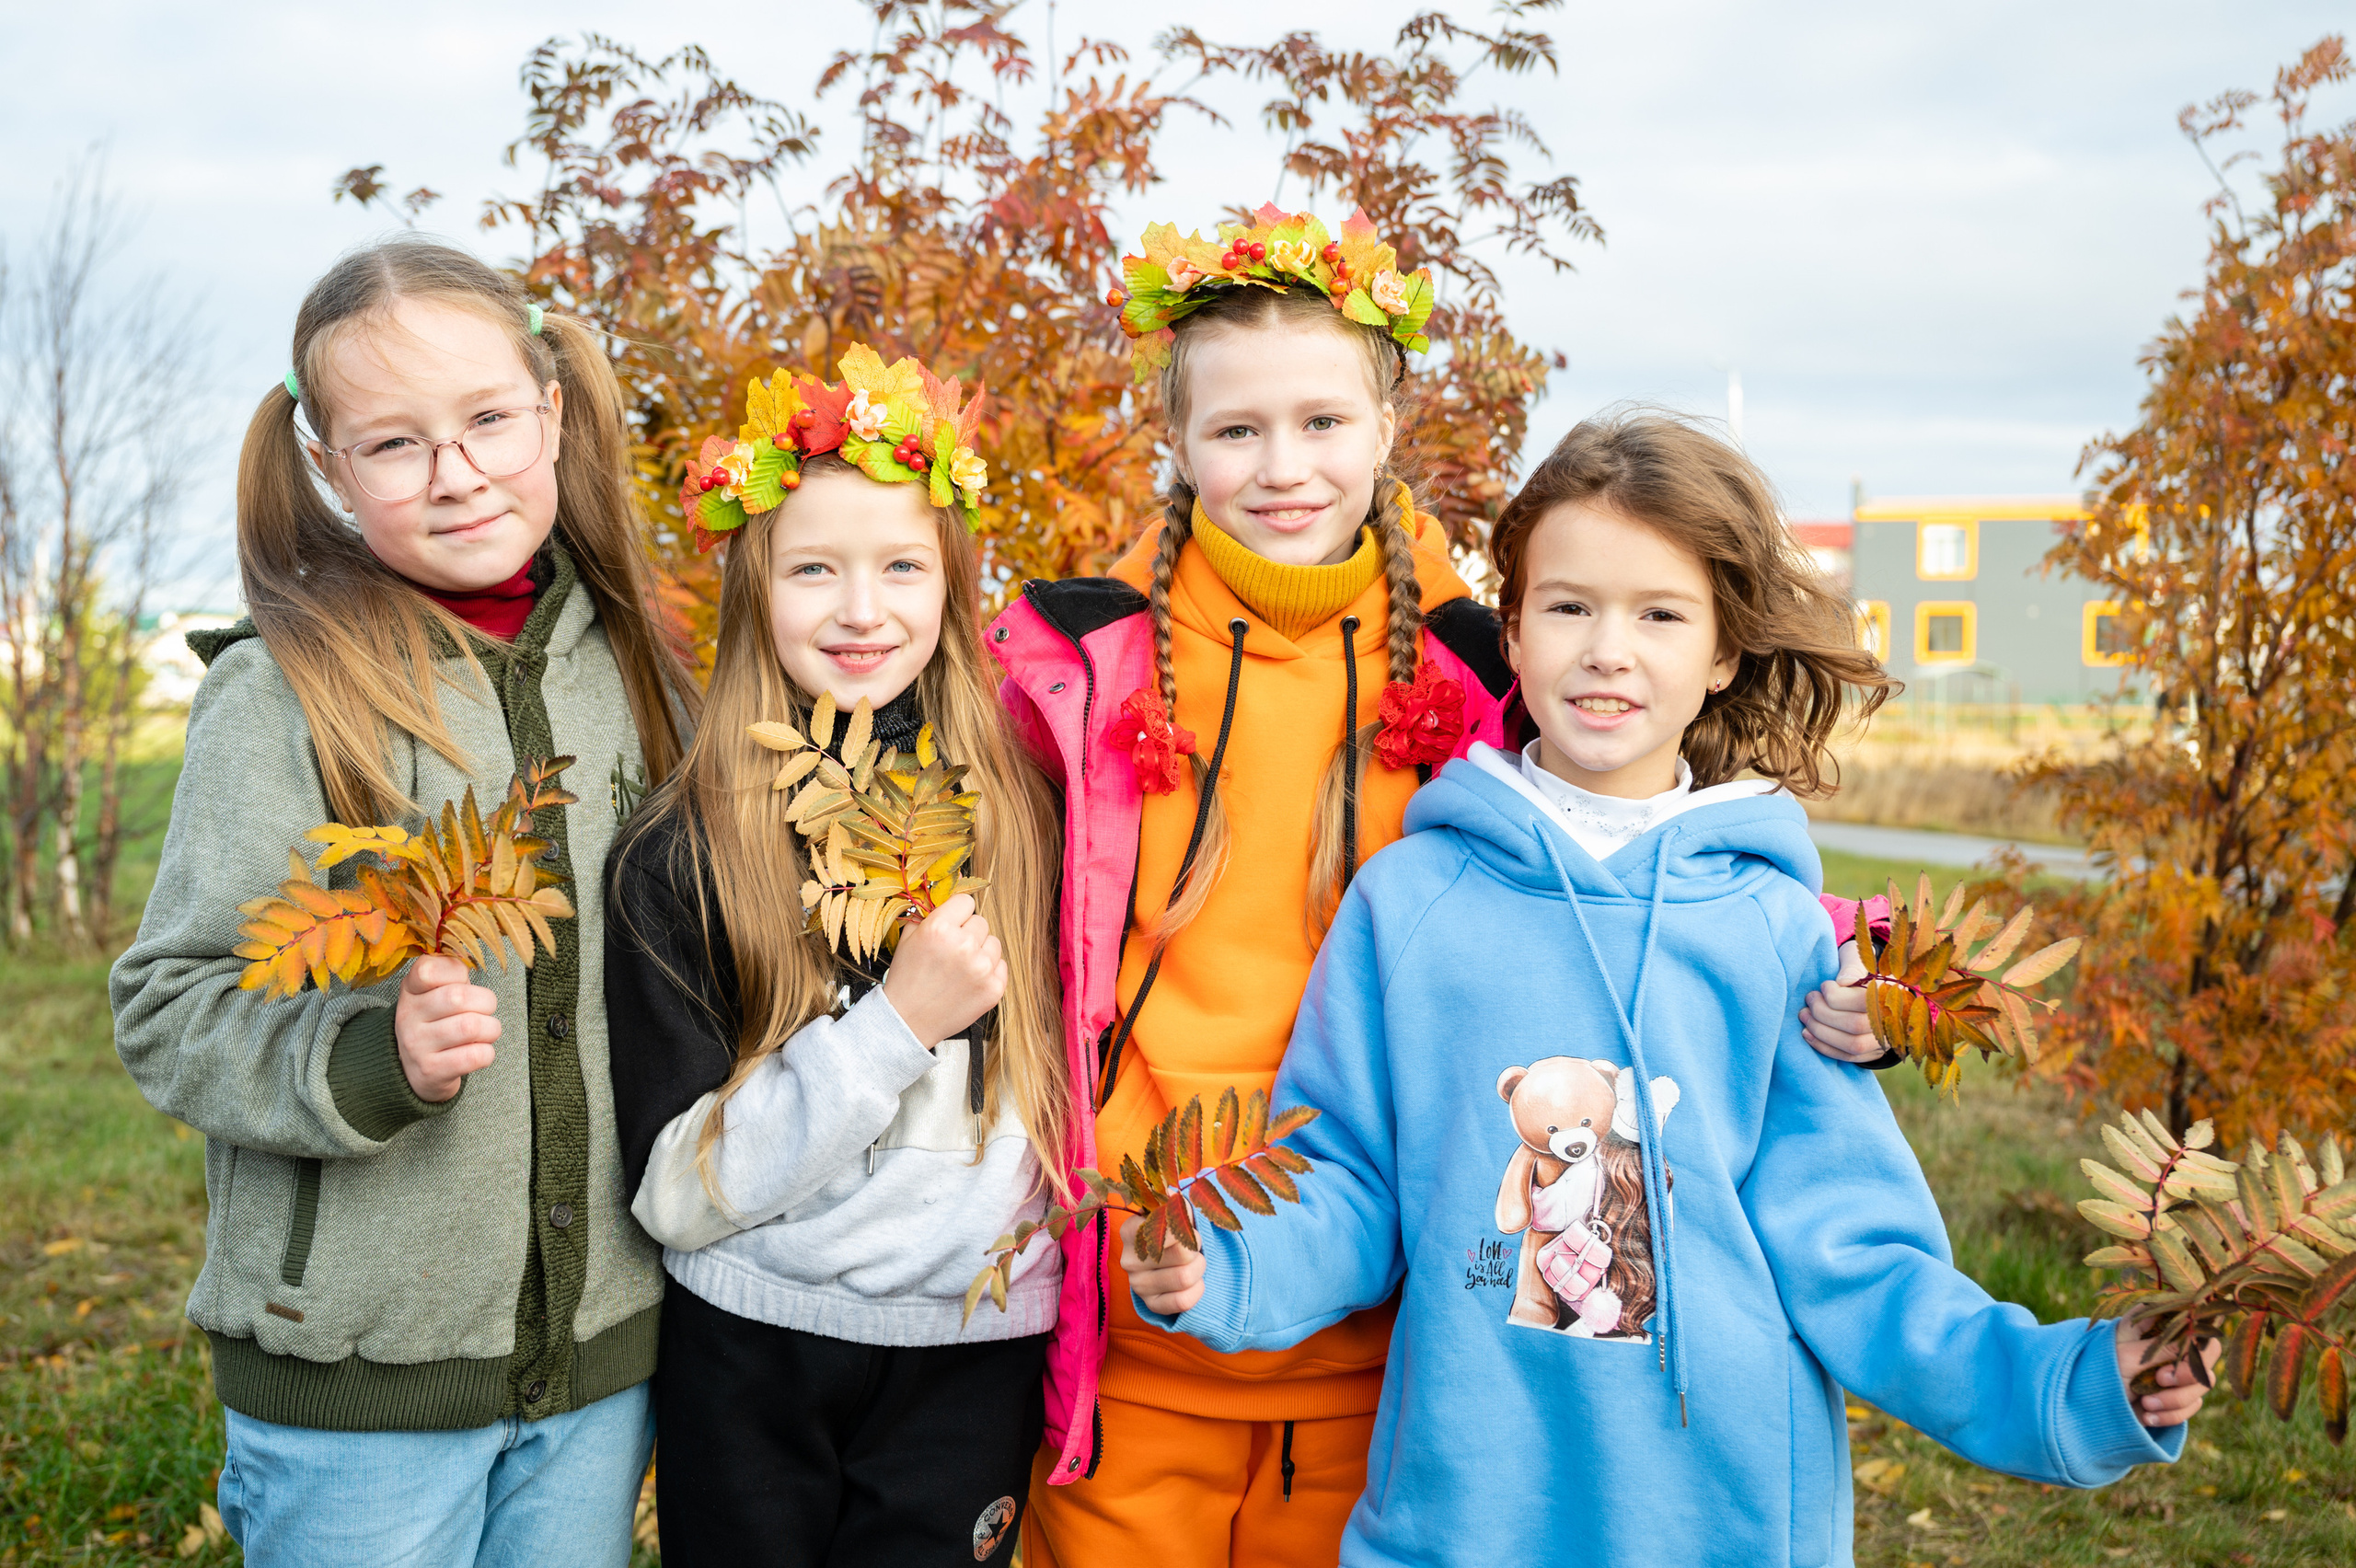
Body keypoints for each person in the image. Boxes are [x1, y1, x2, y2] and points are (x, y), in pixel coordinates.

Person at [1124, 409, 2218, 1567]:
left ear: (1723, 654)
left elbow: (1852, 1254)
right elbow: (1343, 1177)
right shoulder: (1409, 904)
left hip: (1726, 1519)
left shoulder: (1772, 929)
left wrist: (2069, 1381)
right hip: (1463, 1510)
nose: (1609, 649)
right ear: (1512, 626)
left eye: (1659, 613)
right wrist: (1225, 1262)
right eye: (1569, 606)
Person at [110, 236, 699, 1567]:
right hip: (360, 1385)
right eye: (394, 445)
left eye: (489, 419)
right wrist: (367, 1061)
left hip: (599, 1363)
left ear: (550, 410)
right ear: (329, 465)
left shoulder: (640, 670)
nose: (457, 473)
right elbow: (169, 1009)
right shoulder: (285, 690)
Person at [987, 205, 1524, 1567]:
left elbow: (1634, 862)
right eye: (1236, 432)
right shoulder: (1068, 665)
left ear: (1388, 425)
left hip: (1377, 1321)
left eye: (1322, 424)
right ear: (1176, 441)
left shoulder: (1484, 679)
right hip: (1129, 1312)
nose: (1283, 467)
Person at [602, 348, 1069, 1566]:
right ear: (756, 587)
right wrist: (894, 1024)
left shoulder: (1026, 813)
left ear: (955, 580)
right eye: (815, 569)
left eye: (902, 566)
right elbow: (671, 1190)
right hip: (752, 1343)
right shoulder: (684, 851)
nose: (862, 611)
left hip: (973, 1348)